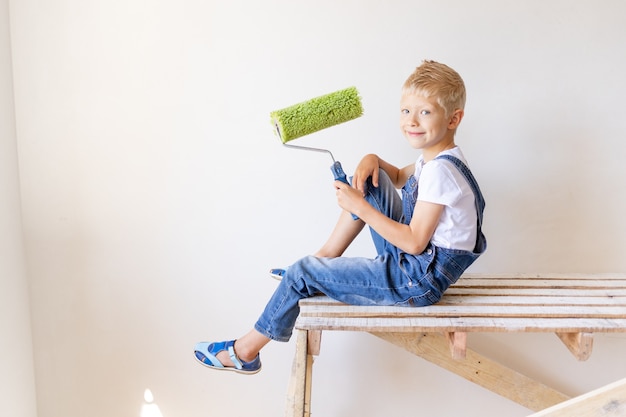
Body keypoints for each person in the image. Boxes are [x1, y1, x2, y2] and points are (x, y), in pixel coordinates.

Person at [194, 60, 487, 374]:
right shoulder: (439, 159)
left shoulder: (441, 171)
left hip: (417, 279)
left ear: (454, 118)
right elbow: (400, 176)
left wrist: (360, 207)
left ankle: (244, 352)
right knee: (374, 182)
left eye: (425, 112)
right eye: (405, 111)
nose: (411, 121)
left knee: (303, 272)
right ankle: (324, 260)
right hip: (417, 265)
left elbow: (415, 243)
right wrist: (372, 160)